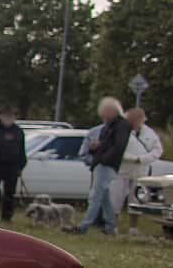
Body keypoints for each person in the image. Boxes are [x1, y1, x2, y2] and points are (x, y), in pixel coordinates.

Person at [68, 97, 129, 235]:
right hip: (100, 162)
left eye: (105, 113)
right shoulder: (109, 126)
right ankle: (111, 226)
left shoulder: (121, 126)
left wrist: (102, 155)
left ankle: (84, 226)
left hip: (106, 163)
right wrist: (93, 149)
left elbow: (118, 146)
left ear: (113, 111)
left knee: (95, 196)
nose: (103, 117)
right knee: (104, 196)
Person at [118, 107, 163, 224]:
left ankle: (133, 227)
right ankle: (113, 225)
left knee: (135, 199)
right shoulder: (121, 131)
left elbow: (157, 151)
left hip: (141, 171)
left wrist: (143, 159)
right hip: (122, 170)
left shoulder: (149, 133)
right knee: (117, 198)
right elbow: (117, 149)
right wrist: (132, 158)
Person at [0, 106, 27, 224]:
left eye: (11, 116)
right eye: (6, 116)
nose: (9, 118)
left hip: (12, 166)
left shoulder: (18, 131)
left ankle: (7, 217)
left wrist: (21, 165)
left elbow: (22, 150)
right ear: (0, 116)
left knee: (10, 193)